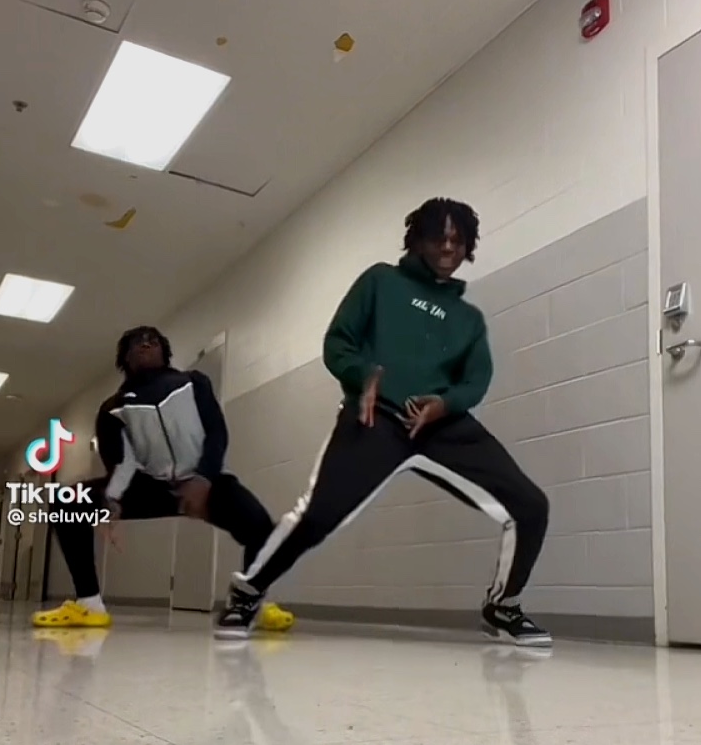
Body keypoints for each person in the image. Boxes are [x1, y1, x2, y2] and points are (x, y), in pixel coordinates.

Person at [214, 198, 550, 645]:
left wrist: (444, 404)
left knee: (531, 505)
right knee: (318, 515)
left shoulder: (468, 319)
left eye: (458, 240)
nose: (448, 247)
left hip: (441, 424)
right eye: (438, 237)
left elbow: (476, 379)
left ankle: (503, 607)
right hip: (377, 418)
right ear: (417, 240)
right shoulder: (380, 281)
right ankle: (248, 592)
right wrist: (364, 376)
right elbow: (339, 342)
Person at [32, 326, 294, 634]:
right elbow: (118, 463)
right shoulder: (112, 408)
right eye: (137, 342)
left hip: (205, 481)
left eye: (152, 340)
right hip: (150, 486)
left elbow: (217, 433)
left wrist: (203, 479)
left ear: (164, 351)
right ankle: (89, 605)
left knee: (262, 528)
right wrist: (111, 502)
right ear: (124, 356)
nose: (145, 344)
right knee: (66, 501)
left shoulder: (194, 382)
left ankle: (252, 602)